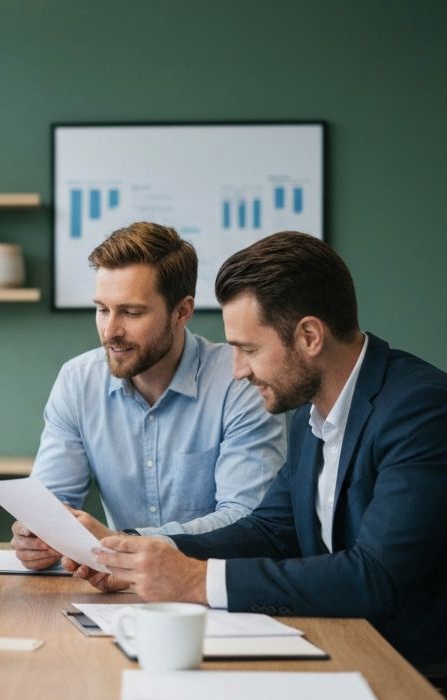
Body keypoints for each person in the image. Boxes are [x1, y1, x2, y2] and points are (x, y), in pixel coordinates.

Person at [75, 231, 447, 676]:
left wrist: (195, 581)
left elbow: (374, 577)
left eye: (249, 349)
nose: (238, 370)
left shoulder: (420, 410)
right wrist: (140, 554)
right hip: (347, 651)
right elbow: (271, 530)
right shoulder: (313, 409)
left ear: (309, 336)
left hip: (418, 679)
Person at [11, 221, 285, 572]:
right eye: (102, 309)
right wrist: (37, 537)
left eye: (131, 312)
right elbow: (50, 504)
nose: (110, 331)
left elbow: (246, 520)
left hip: (215, 587)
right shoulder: (77, 382)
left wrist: (126, 542)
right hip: (115, 593)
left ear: (182, 312)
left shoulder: (241, 383)